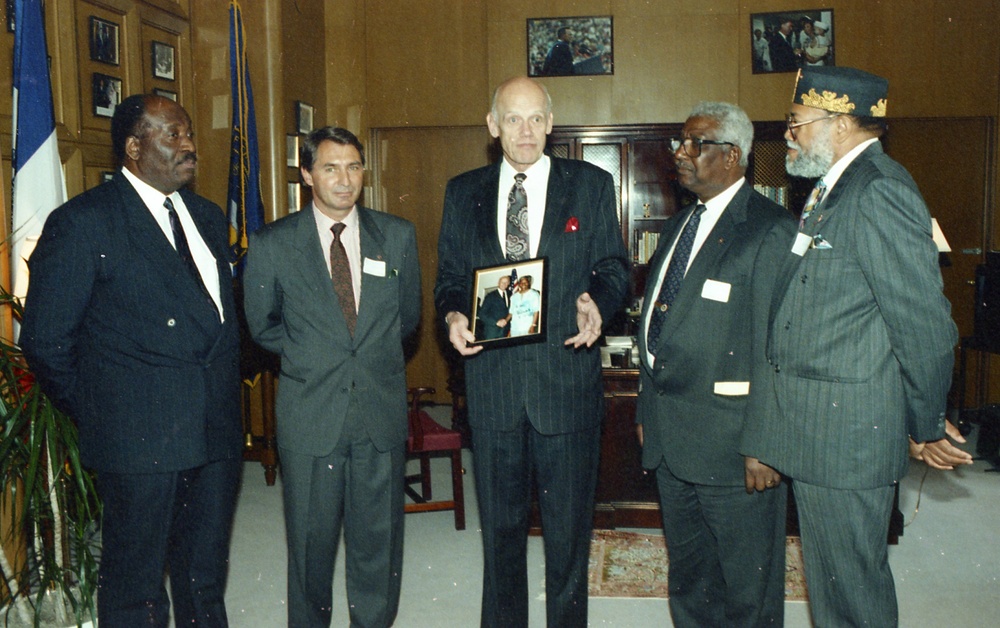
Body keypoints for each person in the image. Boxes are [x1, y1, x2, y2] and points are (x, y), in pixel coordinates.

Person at [742, 66, 973, 627]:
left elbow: (923, 325)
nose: (788, 135)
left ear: (840, 122)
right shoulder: (835, 187)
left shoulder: (879, 190)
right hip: (821, 431)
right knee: (833, 588)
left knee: (852, 597)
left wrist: (924, 421)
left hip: (847, 438)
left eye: (796, 123)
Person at [20, 93, 242, 626]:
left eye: (189, 133)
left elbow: (219, 322)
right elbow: (46, 341)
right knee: (135, 589)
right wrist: (106, 410)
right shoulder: (84, 222)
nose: (188, 145)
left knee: (203, 578)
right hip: (140, 438)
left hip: (213, 431)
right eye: (173, 135)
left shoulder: (208, 217)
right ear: (134, 146)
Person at [434, 76, 628, 627]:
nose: (525, 130)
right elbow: (450, 281)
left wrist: (600, 303)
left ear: (551, 124)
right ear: (492, 127)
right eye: (512, 119)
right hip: (493, 391)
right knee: (500, 540)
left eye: (536, 118)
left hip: (564, 386)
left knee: (568, 542)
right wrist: (452, 316)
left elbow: (614, 267)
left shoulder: (590, 185)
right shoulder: (461, 190)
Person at [243, 126, 421, 627]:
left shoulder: (398, 235)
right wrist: (313, 355)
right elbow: (261, 325)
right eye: (330, 167)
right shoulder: (273, 243)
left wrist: (365, 358)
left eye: (354, 167)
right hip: (311, 415)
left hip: (378, 413)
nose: (345, 180)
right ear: (306, 174)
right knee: (309, 548)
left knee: (377, 546)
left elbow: (407, 322)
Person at [635, 102, 795, 627]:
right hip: (673, 441)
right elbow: (659, 325)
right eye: (680, 142)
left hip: (736, 450)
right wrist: (645, 406)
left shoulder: (769, 229)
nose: (680, 154)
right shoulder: (682, 222)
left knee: (749, 590)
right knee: (691, 583)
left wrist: (766, 444)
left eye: (694, 144)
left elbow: (779, 347)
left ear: (731, 156)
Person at [477, 275, 511, 340]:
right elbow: (481, 314)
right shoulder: (490, 296)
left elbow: (510, 311)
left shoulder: (510, 295)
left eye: (506, 282)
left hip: (505, 331)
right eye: (502, 282)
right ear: (498, 283)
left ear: (508, 284)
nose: (504, 284)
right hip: (492, 331)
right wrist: (496, 322)